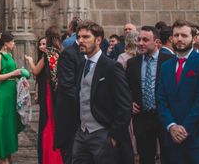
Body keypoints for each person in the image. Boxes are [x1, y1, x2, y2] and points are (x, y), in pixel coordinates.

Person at [157, 20, 199, 164]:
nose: (179, 39)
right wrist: (171, 126)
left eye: (184, 35)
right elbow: (161, 99)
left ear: (193, 37)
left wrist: (185, 129)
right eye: (176, 35)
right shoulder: (166, 66)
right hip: (173, 140)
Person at [71, 21, 133, 164]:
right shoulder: (82, 64)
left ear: (98, 40)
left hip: (103, 134)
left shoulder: (111, 67)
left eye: (86, 37)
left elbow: (125, 104)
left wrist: (114, 136)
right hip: (82, 134)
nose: (81, 41)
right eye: (79, 37)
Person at [125, 25, 172, 164]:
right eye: (139, 39)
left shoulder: (169, 60)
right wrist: (129, 102)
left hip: (165, 115)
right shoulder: (132, 63)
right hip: (142, 117)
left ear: (156, 42)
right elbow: (126, 87)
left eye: (145, 40)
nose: (140, 43)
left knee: (168, 155)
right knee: (145, 156)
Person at [25, 27, 63, 164]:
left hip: (48, 91)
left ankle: (49, 157)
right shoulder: (60, 52)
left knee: (47, 123)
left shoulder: (48, 53)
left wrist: (29, 60)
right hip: (57, 92)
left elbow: (35, 70)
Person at [0, 31, 30, 163]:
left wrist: (21, 78)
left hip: (12, 90)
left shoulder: (9, 55)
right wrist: (14, 73)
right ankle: (3, 157)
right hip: (4, 93)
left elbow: (13, 73)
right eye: (12, 41)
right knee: (3, 124)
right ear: (6, 43)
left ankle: (9, 155)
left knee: (10, 124)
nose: (14, 44)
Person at [54, 30, 85, 164]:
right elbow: (67, 86)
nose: (83, 40)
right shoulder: (69, 54)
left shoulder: (93, 56)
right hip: (72, 115)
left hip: (88, 122)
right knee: (71, 154)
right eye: (82, 37)